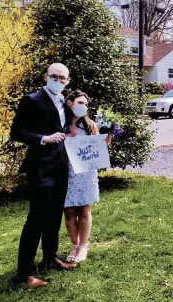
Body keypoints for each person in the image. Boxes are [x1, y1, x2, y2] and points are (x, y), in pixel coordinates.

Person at [10, 63, 77, 287]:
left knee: (54, 216)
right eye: (55, 77)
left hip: (60, 166)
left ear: (68, 81)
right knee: (36, 219)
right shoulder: (32, 100)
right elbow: (16, 132)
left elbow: (71, 125)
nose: (59, 81)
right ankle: (24, 274)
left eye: (63, 79)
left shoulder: (64, 101)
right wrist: (43, 138)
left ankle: (50, 258)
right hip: (40, 167)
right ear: (46, 76)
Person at [63, 90, 106, 263]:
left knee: (84, 209)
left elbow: (97, 149)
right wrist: (67, 136)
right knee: (69, 211)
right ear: (70, 103)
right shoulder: (62, 124)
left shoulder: (90, 126)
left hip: (86, 173)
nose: (84, 107)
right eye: (80, 103)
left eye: (86, 104)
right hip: (66, 172)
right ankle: (74, 244)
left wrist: (104, 142)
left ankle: (83, 246)